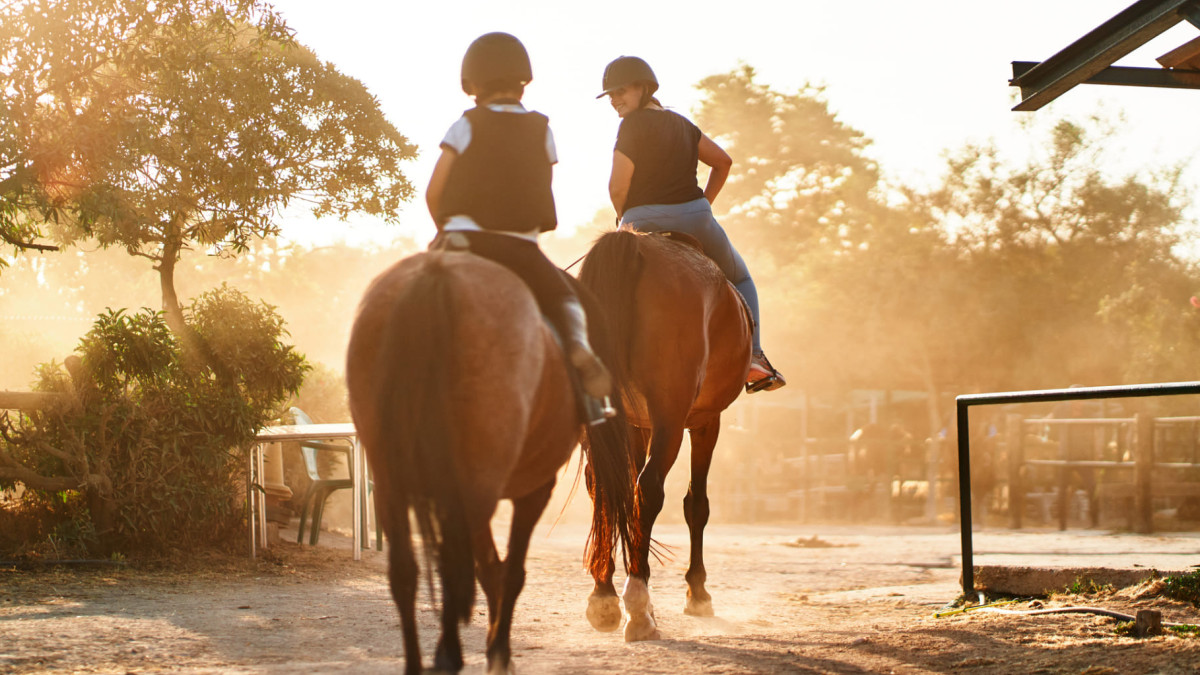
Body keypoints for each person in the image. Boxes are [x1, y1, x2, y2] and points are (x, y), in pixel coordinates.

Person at [426, 32, 612, 421]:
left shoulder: (466, 124)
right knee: (566, 300)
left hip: (463, 240)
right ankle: (583, 363)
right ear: (522, 81)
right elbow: (539, 185)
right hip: (520, 247)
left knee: (417, 294)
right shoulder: (541, 128)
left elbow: (435, 191)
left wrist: (445, 230)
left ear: (472, 85)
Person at [598, 55, 785, 392]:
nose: (614, 100)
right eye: (610, 95)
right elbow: (723, 162)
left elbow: (617, 186)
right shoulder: (682, 124)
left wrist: (624, 220)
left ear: (643, 88)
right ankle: (755, 360)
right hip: (697, 218)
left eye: (620, 91)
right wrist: (703, 206)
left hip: (642, 220)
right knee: (740, 277)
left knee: (605, 279)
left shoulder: (630, 126)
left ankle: (598, 358)